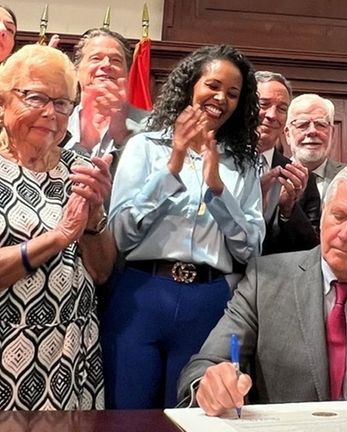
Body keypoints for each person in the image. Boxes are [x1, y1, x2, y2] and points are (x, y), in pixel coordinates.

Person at [178, 165, 347, 417]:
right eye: (338, 216)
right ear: (322, 218)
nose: (345, 233)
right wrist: (210, 383)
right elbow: (203, 367)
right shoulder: (266, 282)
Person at [103, 45, 265, 409]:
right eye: (213, 85)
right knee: (126, 414)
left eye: (233, 93)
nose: (221, 98)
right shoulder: (144, 146)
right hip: (142, 293)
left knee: (194, 417)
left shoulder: (245, 163)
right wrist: (173, 165)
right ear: (191, 85)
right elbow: (121, 234)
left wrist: (218, 188)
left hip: (208, 301)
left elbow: (251, 250)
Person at [0, 44, 115, 410]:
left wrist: (95, 219)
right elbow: (63, 236)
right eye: (35, 97)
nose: (50, 113)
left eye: (63, 103)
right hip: (8, 355)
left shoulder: (79, 165)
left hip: (73, 352)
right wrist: (58, 238)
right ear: (3, 101)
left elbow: (101, 272)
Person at [255, 71, 320, 254]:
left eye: (282, 109)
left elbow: (311, 251)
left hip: (274, 278)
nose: (272, 115)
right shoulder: (221, 164)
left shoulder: (300, 178)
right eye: (263, 105)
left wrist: (288, 211)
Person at [64, 28, 148, 160]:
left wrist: (123, 138)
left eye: (116, 60)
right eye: (96, 58)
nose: (106, 64)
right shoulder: (57, 123)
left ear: (127, 73)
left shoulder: (151, 127)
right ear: (77, 69)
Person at [286, 93, 346, 200]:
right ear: (287, 134)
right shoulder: (274, 176)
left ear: (332, 133)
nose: (312, 131)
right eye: (302, 124)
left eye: (321, 124)